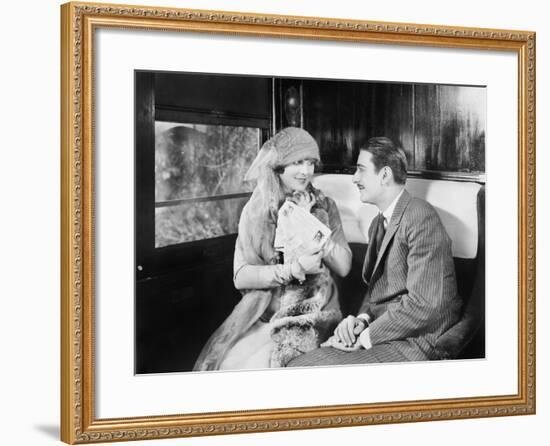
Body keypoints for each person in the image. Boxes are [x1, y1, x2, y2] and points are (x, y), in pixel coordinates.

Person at [289, 137, 462, 366]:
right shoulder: (378, 223)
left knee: (305, 369)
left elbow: (424, 304)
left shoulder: (420, 216)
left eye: (361, 170)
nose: (354, 178)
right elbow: (379, 293)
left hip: (415, 343)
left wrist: (366, 336)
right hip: (385, 334)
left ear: (385, 175)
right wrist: (361, 319)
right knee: (297, 365)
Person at [193, 127, 352, 371]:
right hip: (265, 316)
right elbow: (241, 276)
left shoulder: (325, 205)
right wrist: (293, 269)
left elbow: (343, 266)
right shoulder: (255, 211)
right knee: (233, 366)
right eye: (297, 162)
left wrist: (310, 224)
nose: (306, 171)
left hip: (315, 313)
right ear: (279, 166)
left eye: (310, 163)